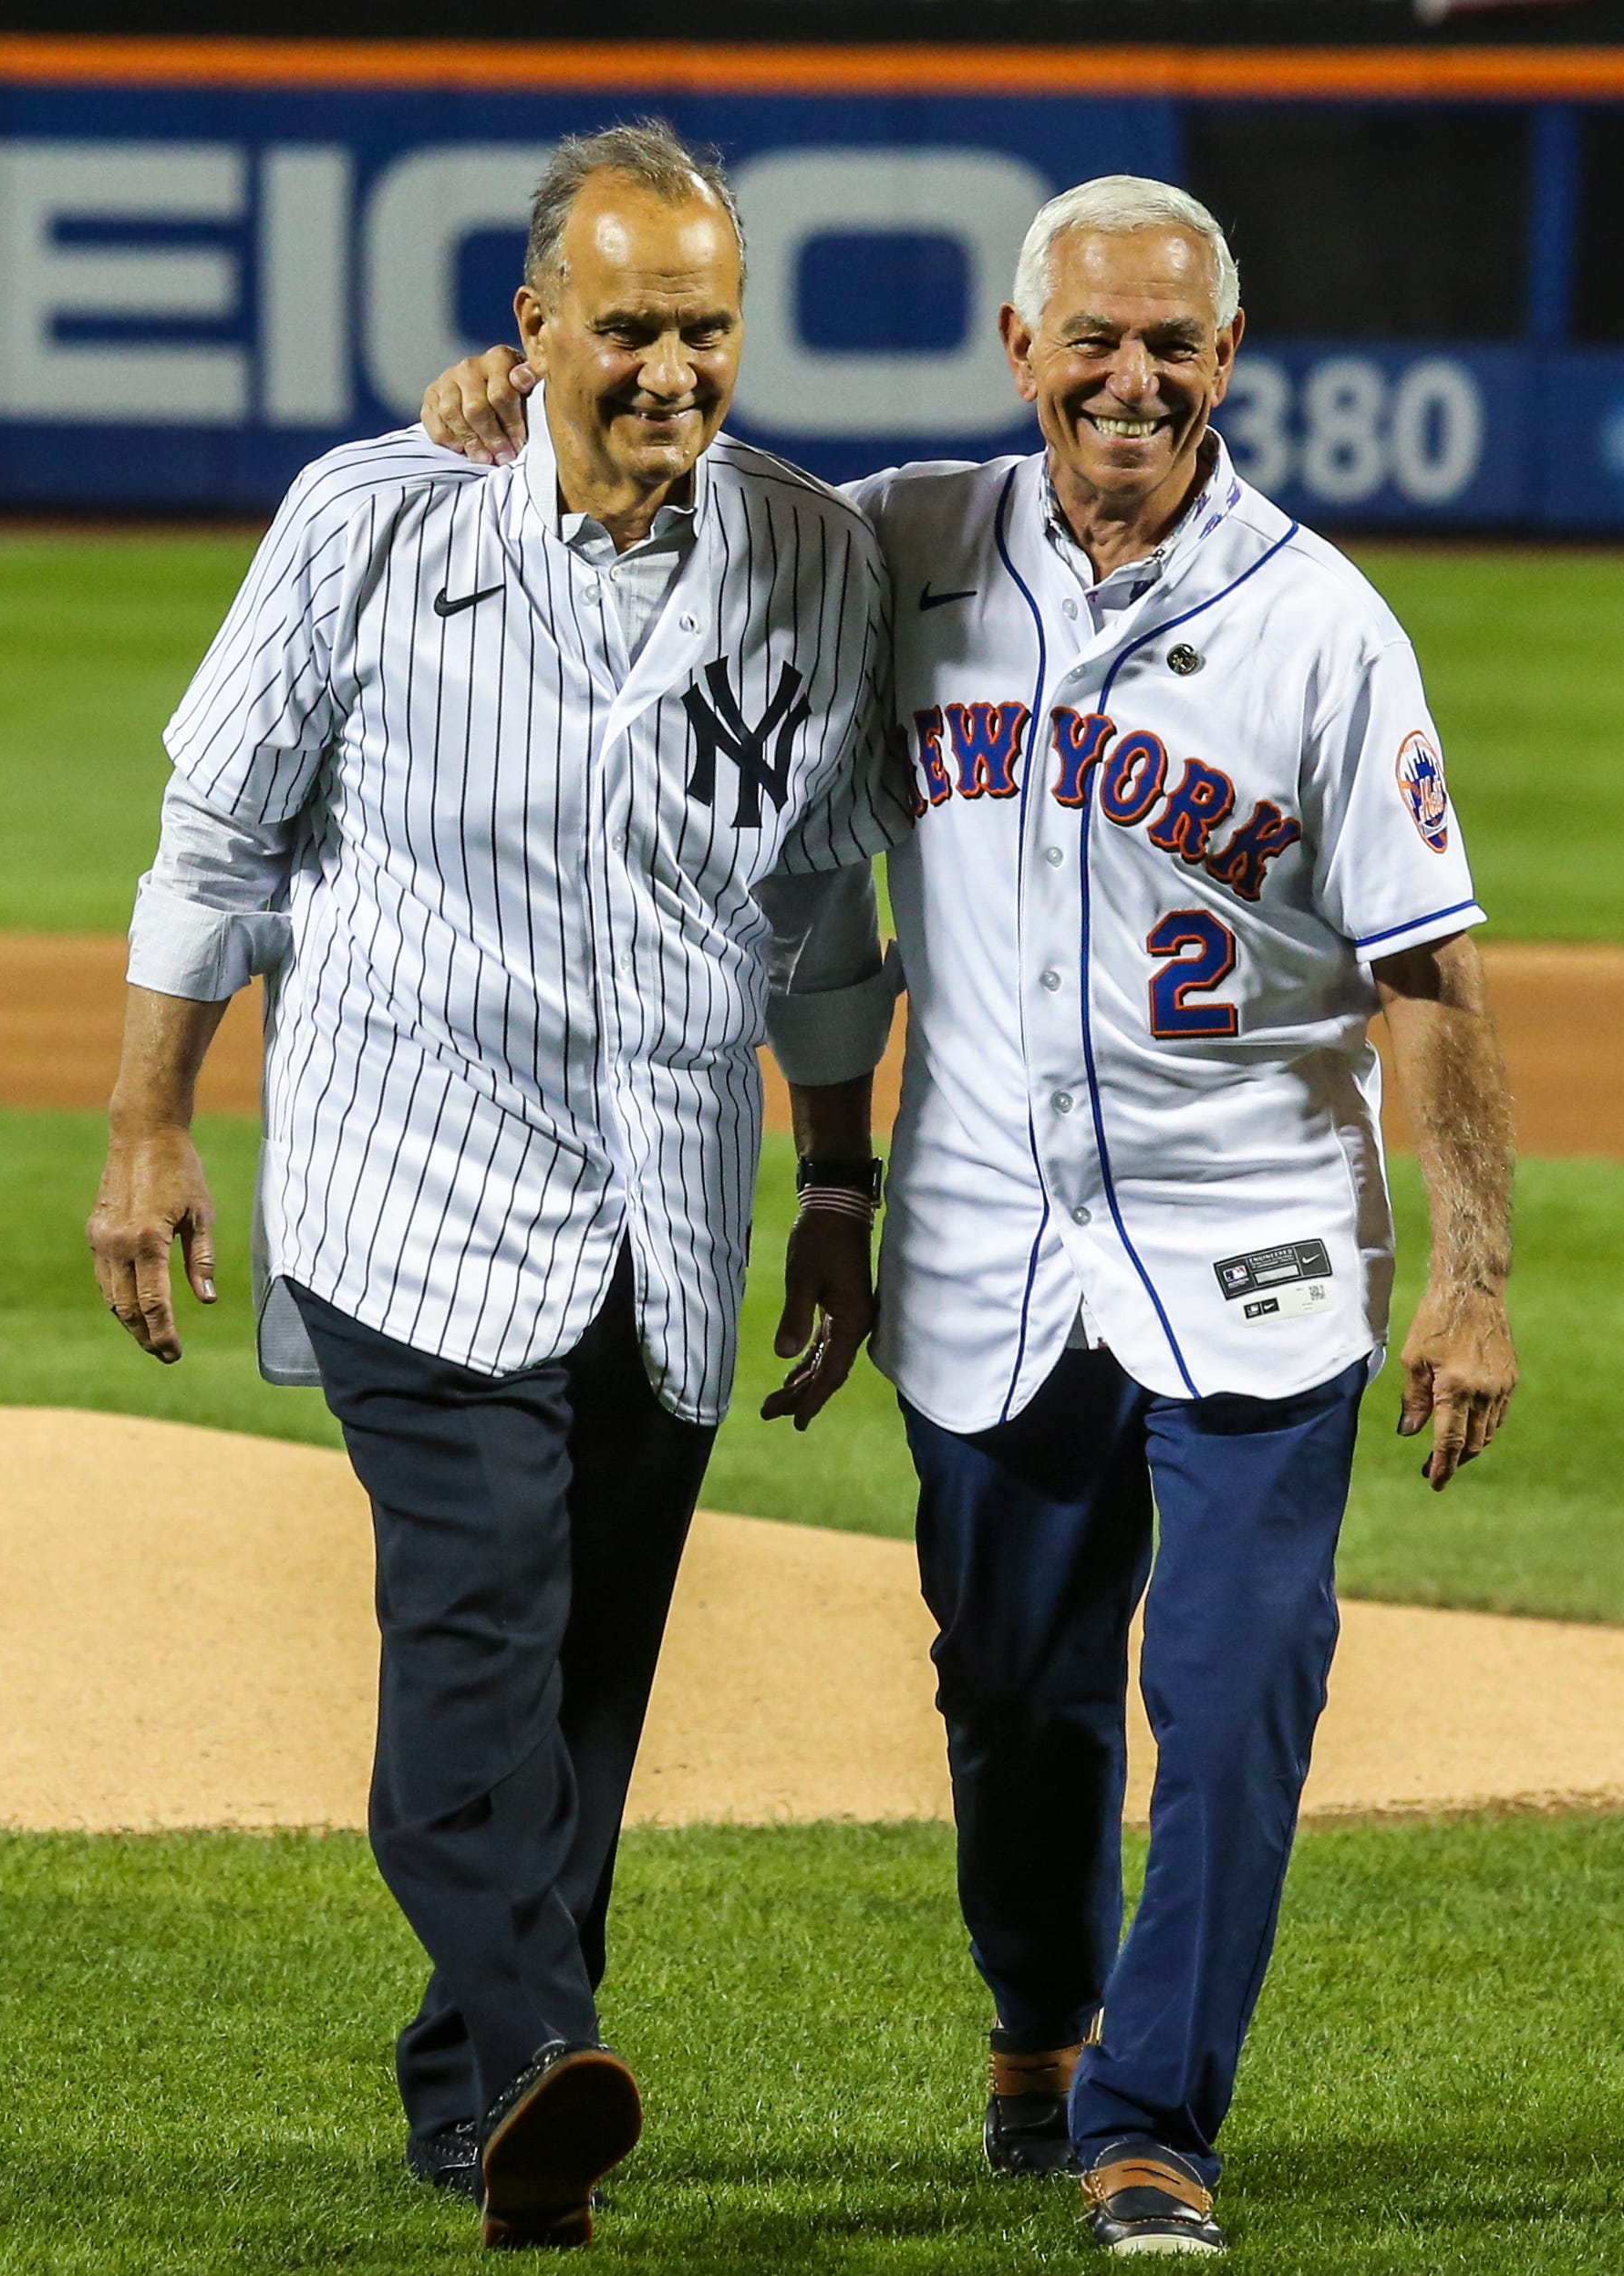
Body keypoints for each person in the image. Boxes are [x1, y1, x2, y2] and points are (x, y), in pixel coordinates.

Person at [425, 171, 1517, 2257]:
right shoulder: (903, 547)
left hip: (1254, 1242)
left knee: (1240, 1674)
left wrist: (1467, 1277)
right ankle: (1041, 2023)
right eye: (1089, 337)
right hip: (987, 1246)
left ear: (1226, 355)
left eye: (1170, 342)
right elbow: (675, 474)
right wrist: (501, 393)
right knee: (1011, 1689)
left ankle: (1151, 2121)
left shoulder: (1319, 623)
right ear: (1019, 349)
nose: (1129, 377)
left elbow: (1425, 981)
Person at [88, 121, 908, 2252]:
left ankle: (482, 2111)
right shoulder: (371, 525)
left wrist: (837, 1181)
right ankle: (552, 2048)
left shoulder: (809, 561)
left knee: (587, 1684)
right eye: (624, 324)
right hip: (409, 1191)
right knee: (476, 1634)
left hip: (664, 1218)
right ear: (529, 325)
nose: (668, 367)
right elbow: (218, 840)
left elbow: (822, 905)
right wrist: (148, 1125)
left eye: (703, 326)